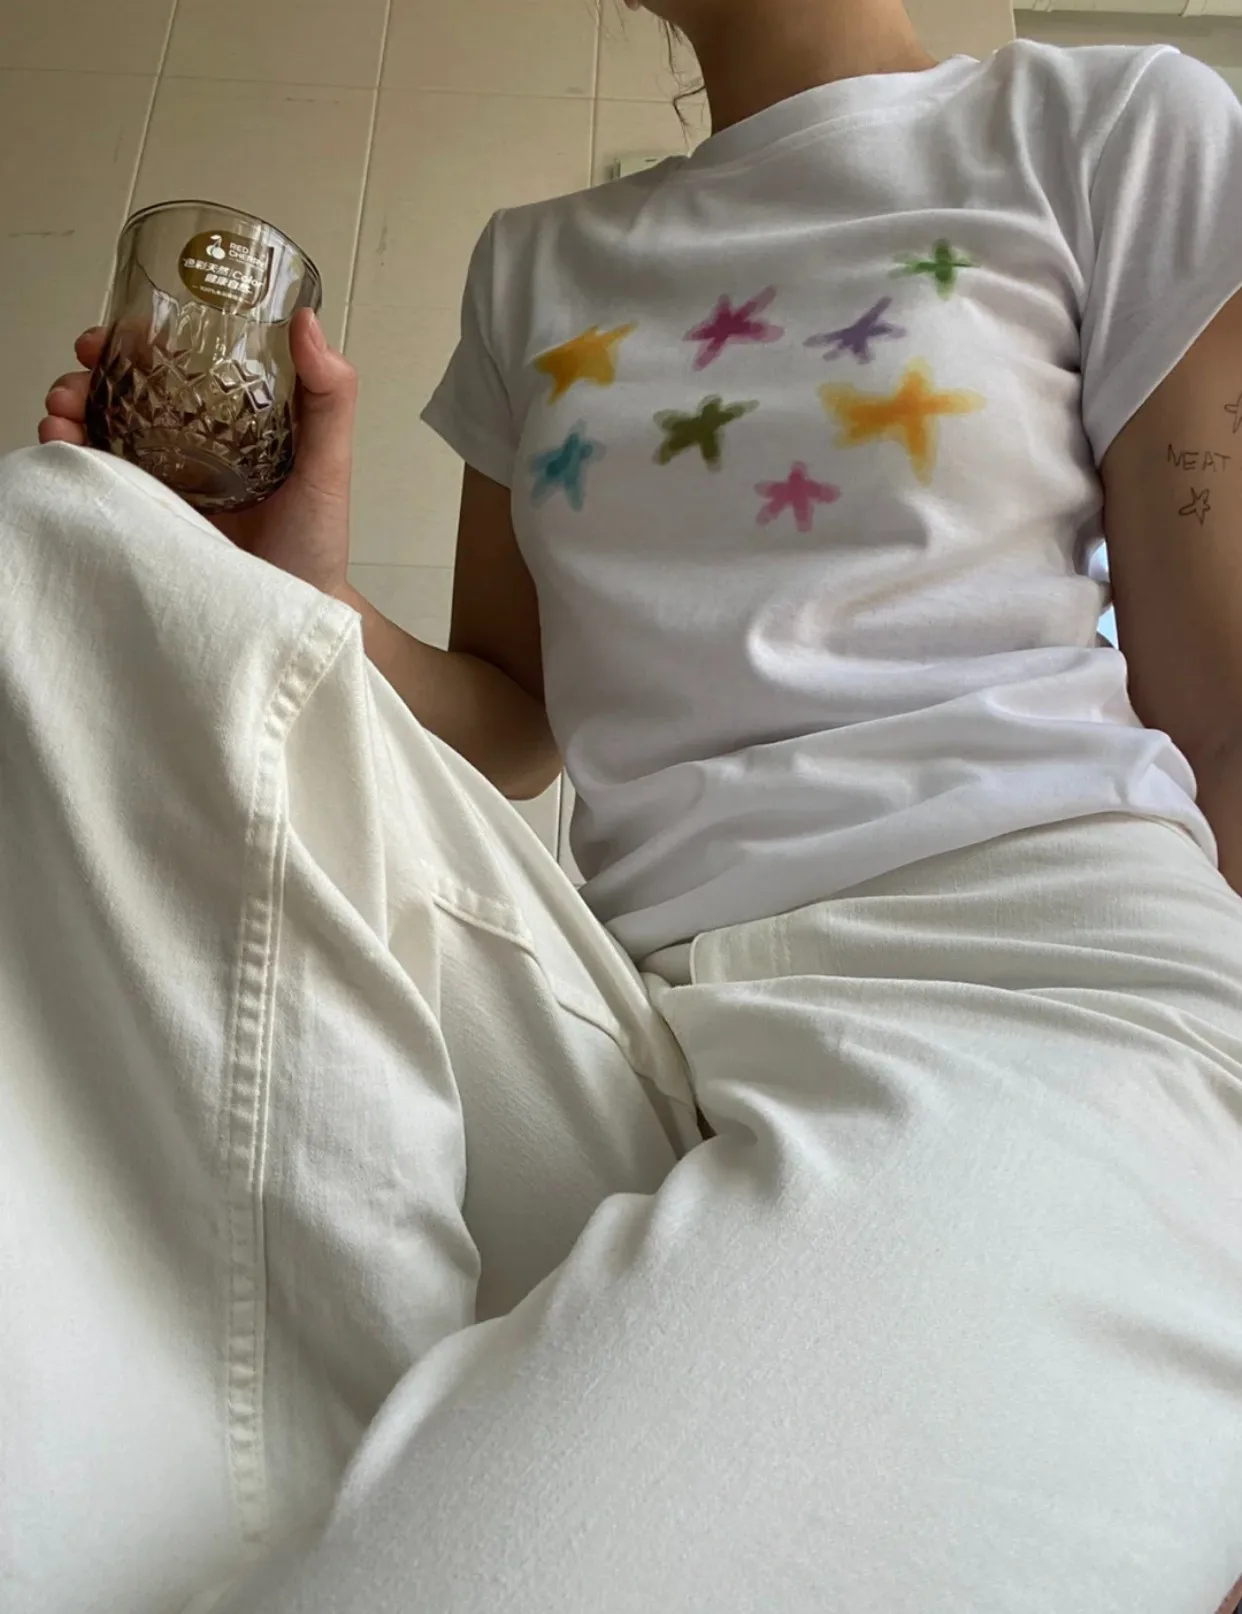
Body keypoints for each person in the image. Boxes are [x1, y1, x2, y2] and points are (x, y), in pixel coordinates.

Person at [9, 0, 1242, 1606]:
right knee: (70, 544)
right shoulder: (535, 265)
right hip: (630, 1022)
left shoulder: (1104, 129)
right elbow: (509, 717)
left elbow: (1225, 726)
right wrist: (296, 593)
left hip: (1025, 1006)